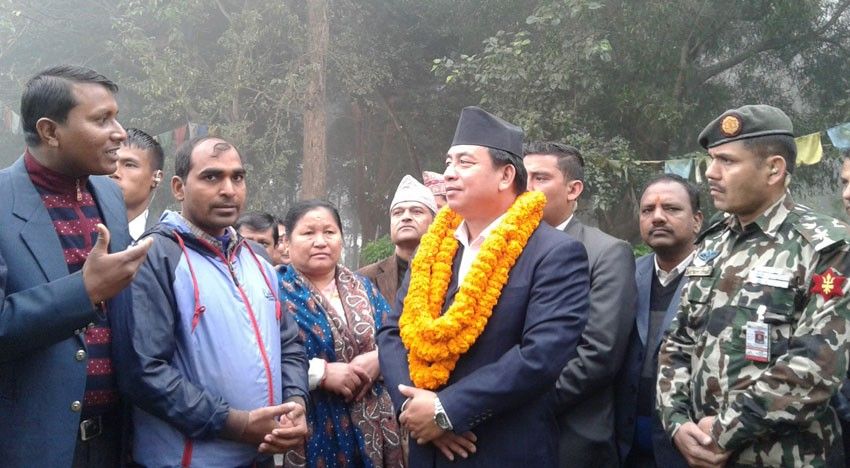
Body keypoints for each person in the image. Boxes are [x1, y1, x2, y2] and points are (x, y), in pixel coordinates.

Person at [378, 106, 590, 467]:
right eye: (448, 162)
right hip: (428, 450)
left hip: (499, 448)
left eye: (465, 162)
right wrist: (413, 407)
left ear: (506, 175)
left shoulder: (554, 253)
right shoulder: (434, 249)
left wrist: (447, 410)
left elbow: (539, 356)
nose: (449, 173)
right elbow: (391, 332)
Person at [657, 104, 850, 466]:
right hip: (697, 452)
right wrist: (677, 423)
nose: (711, 172)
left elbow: (816, 367)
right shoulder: (712, 243)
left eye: (727, 161)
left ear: (774, 169)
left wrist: (723, 432)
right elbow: (677, 341)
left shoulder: (827, 246)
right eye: (711, 160)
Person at [111, 136, 309, 467]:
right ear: (179, 187)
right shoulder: (154, 256)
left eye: (237, 177)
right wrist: (235, 424)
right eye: (211, 177)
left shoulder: (258, 259)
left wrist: (296, 403)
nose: (229, 190)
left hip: (258, 456)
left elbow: (289, 344)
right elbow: (143, 371)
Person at [0, 65, 152, 467]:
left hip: (114, 440)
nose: (119, 133)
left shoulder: (109, 194)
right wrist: (84, 291)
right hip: (31, 447)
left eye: (116, 117)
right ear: (50, 131)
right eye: (102, 120)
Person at [523, 141, 636, 467]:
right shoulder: (502, 251)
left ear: (573, 189)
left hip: (571, 438)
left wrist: (518, 406)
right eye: (522, 178)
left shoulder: (606, 252)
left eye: (540, 178)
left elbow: (598, 354)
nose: (527, 189)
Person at [278, 199, 403, 467]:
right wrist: (320, 374)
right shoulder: (273, 291)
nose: (320, 242)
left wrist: (380, 359)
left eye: (329, 232)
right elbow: (261, 359)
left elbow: (397, 337)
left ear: (342, 239)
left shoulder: (364, 287)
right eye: (308, 233)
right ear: (286, 243)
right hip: (312, 423)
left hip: (378, 424)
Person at [616, 174, 702, 468]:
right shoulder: (625, 274)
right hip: (624, 444)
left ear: (697, 220)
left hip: (689, 445)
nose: (657, 217)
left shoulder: (720, 278)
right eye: (647, 210)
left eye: (671, 208)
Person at [359, 174, 436, 304]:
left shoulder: (454, 272)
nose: (406, 217)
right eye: (398, 213)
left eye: (416, 211)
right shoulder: (363, 279)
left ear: (434, 221)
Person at [110, 127, 164, 240]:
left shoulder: (168, 241)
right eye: (110, 162)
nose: (114, 173)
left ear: (156, 177)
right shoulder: (77, 230)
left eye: (129, 165)